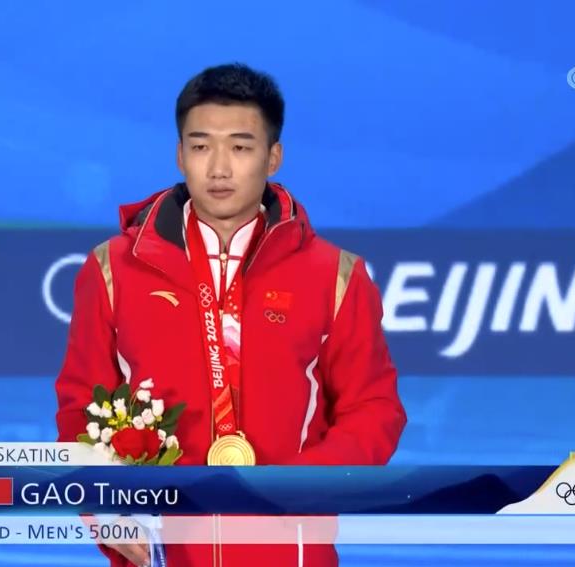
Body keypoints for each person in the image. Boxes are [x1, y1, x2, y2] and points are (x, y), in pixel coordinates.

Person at [55, 62, 406, 567]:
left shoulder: (336, 276)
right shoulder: (112, 269)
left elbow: (374, 409)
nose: (219, 168)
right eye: (201, 147)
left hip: (290, 552)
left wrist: (299, 489)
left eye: (240, 148)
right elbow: (80, 410)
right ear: (180, 155)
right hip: (160, 553)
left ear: (273, 157)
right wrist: (105, 513)